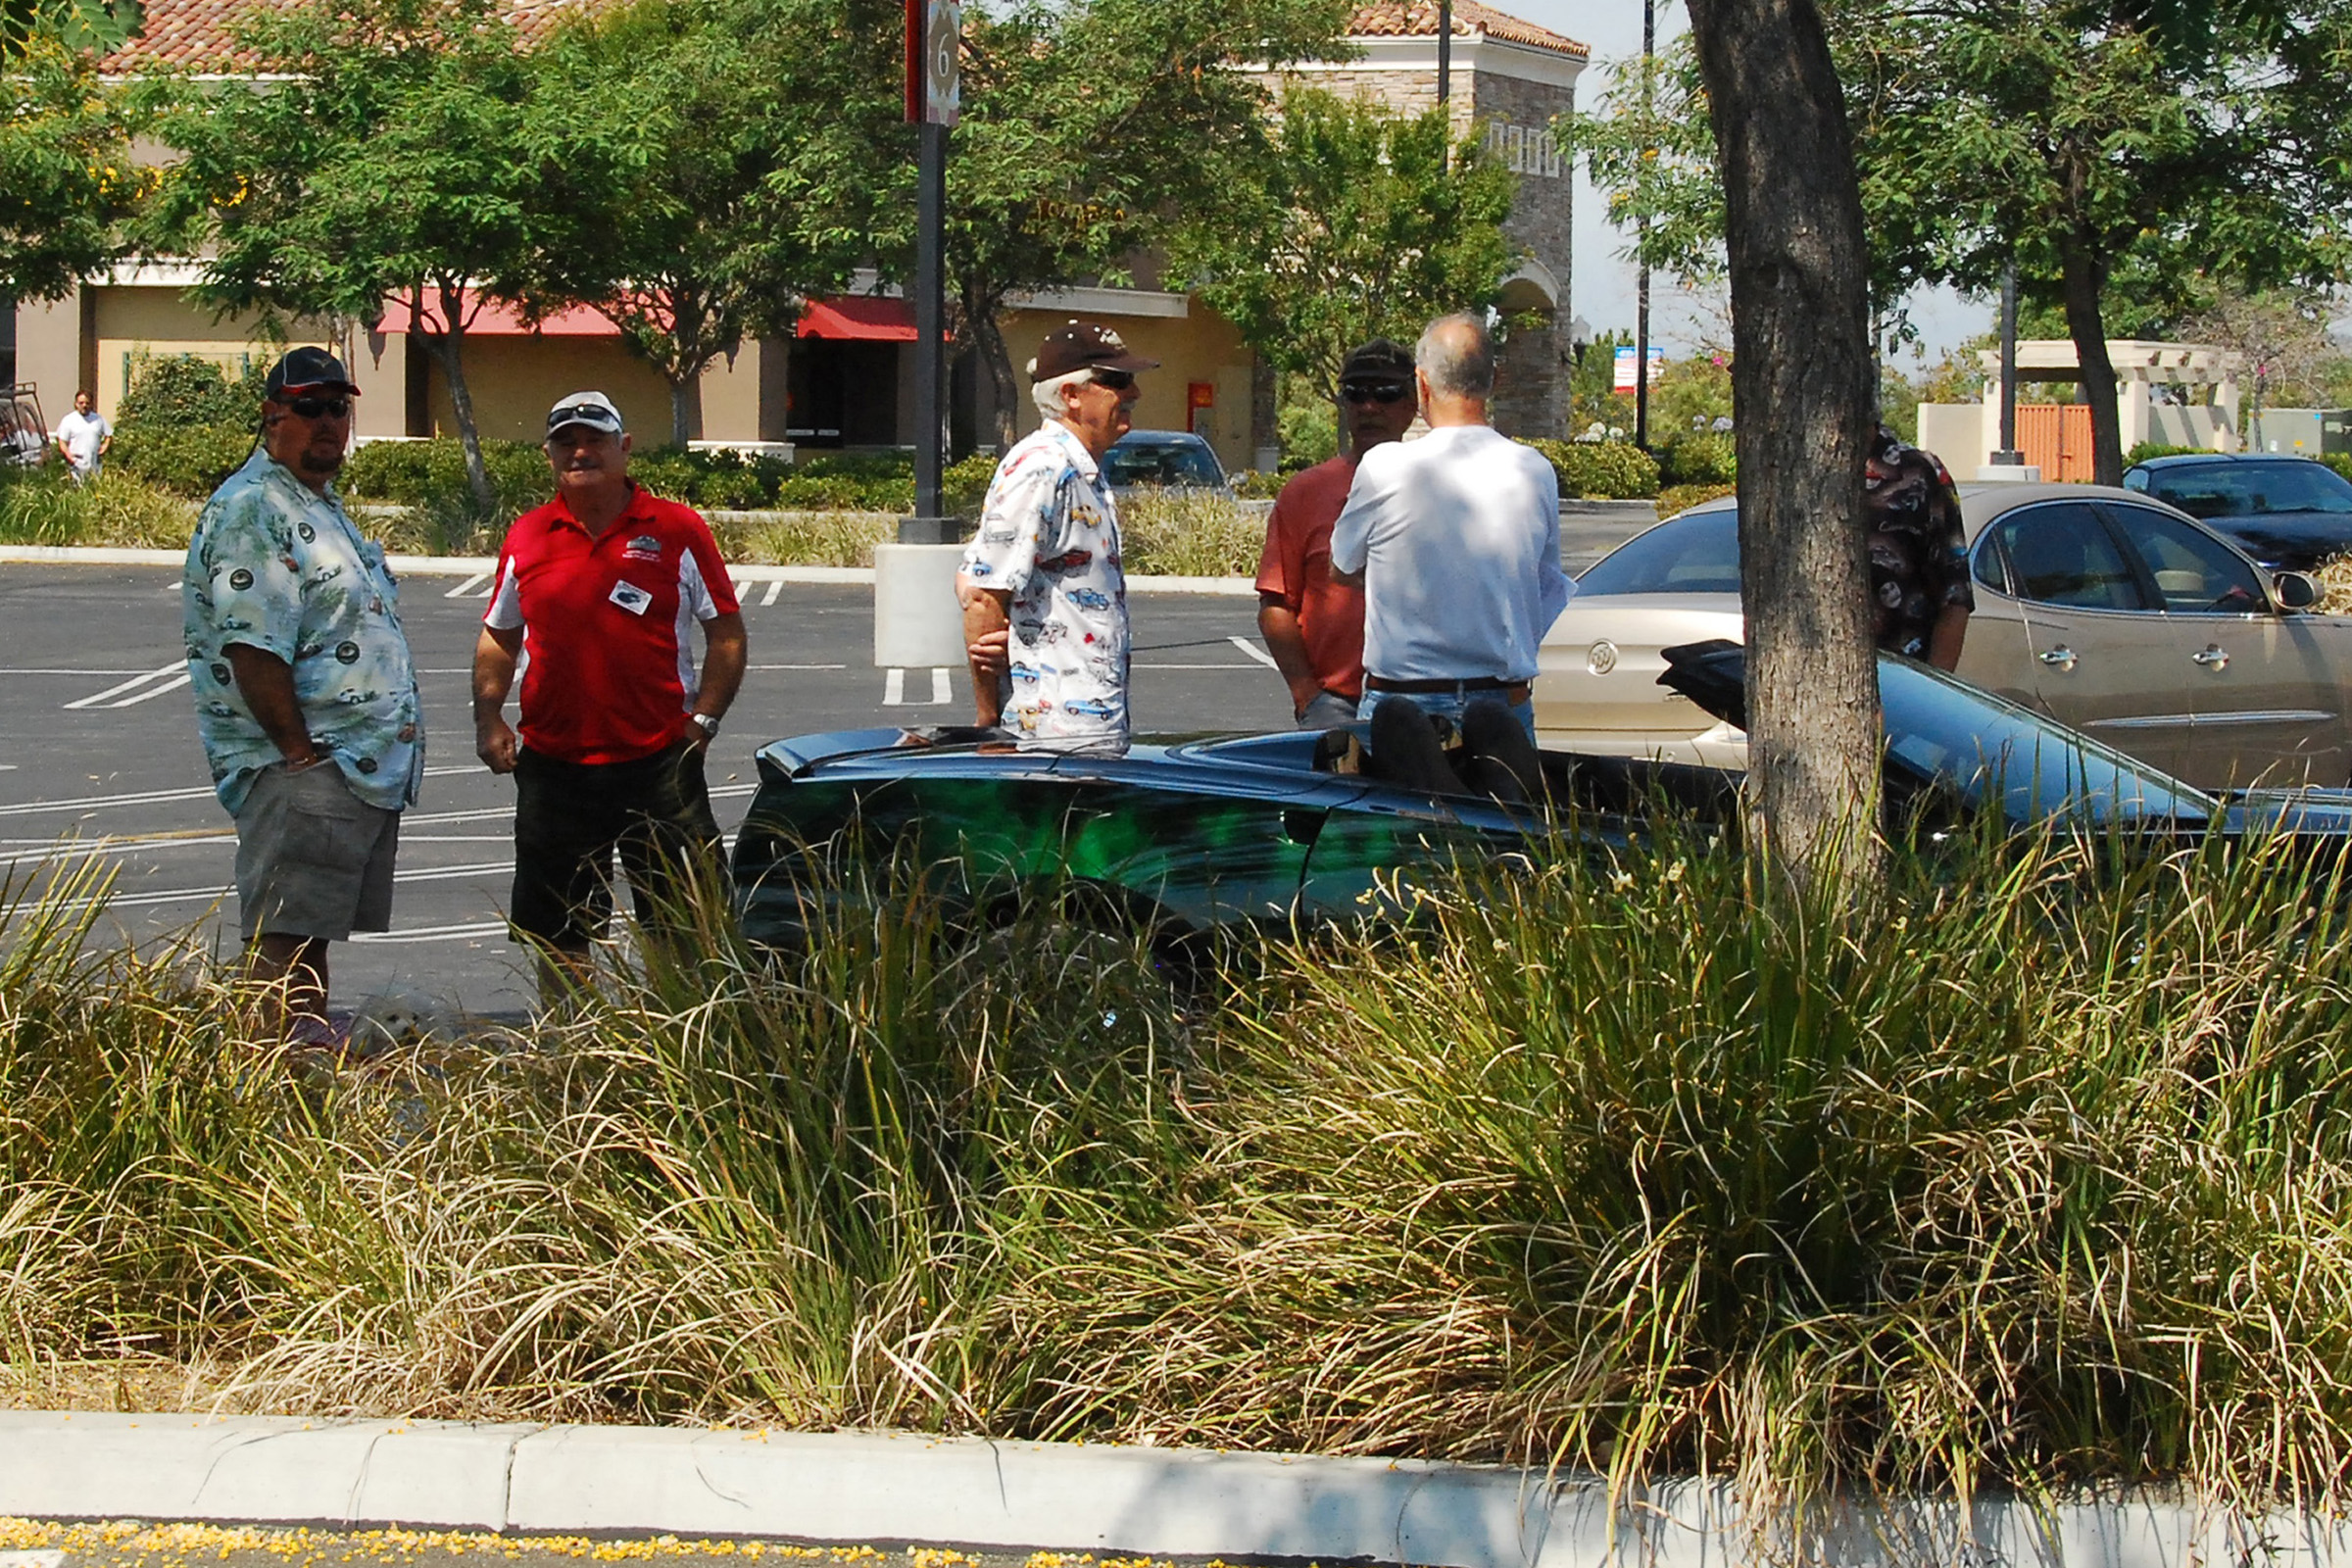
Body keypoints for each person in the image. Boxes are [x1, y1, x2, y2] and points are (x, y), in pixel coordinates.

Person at [472, 391, 747, 999]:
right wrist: (488, 715)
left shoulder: (676, 529)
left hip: (660, 762)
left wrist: (703, 722)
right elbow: (500, 633)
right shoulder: (528, 535)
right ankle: (572, 1043)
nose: (580, 452)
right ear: (548, 455)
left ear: (623, 447)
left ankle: (682, 1038)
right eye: (566, 442)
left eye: (594, 439)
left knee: (685, 923)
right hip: (556, 766)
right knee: (559, 931)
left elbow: (726, 633)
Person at [181, 347, 421, 1038]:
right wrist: (297, 753)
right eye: (308, 407)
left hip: (350, 769)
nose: (326, 422)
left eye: (337, 408)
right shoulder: (253, 508)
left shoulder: (311, 502)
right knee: (283, 941)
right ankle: (266, 1075)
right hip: (303, 768)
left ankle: (300, 1067)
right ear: (272, 416)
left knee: (309, 940)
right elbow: (253, 646)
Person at [1330, 312, 1574, 742]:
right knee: (1507, 791)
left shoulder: (1384, 466)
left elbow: (1341, 568)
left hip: (1405, 703)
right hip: (1503, 700)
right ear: (1495, 379)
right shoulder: (1534, 470)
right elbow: (1544, 582)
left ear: (1422, 383)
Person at [957, 320, 1155, 754]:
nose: (1134, 393)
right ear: (1070, 394)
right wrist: (989, 723)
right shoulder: (1043, 468)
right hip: (1051, 739)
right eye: (1117, 381)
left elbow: (975, 570)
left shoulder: (1079, 469)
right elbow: (982, 593)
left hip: (1089, 729)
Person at [1255, 340, 1418, 730]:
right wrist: (1307, 696)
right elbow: (1275, 604)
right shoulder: (1305, 492)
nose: (1369, 407)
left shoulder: (1438, 489)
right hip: (1336, 705)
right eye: (1356, 394)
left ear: (1412, 404)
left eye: (1386, 393)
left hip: (1423, 701)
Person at [1865, 424, 1973, 670]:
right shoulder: (1794, 471)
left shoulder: (1919, 473)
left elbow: (1955, 596)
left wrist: (1935, 687)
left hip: (1901, 680)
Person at [53, 390, 111, 483]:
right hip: (76, 464)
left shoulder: (98, 419)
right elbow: (62, 441)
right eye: (81, 403)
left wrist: (104, 446)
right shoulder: (69, 420)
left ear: (91, 404)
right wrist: (68, 455)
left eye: (87, 403)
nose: (84, 405)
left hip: (94, 463)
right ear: (76, 404)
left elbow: (109, 435)